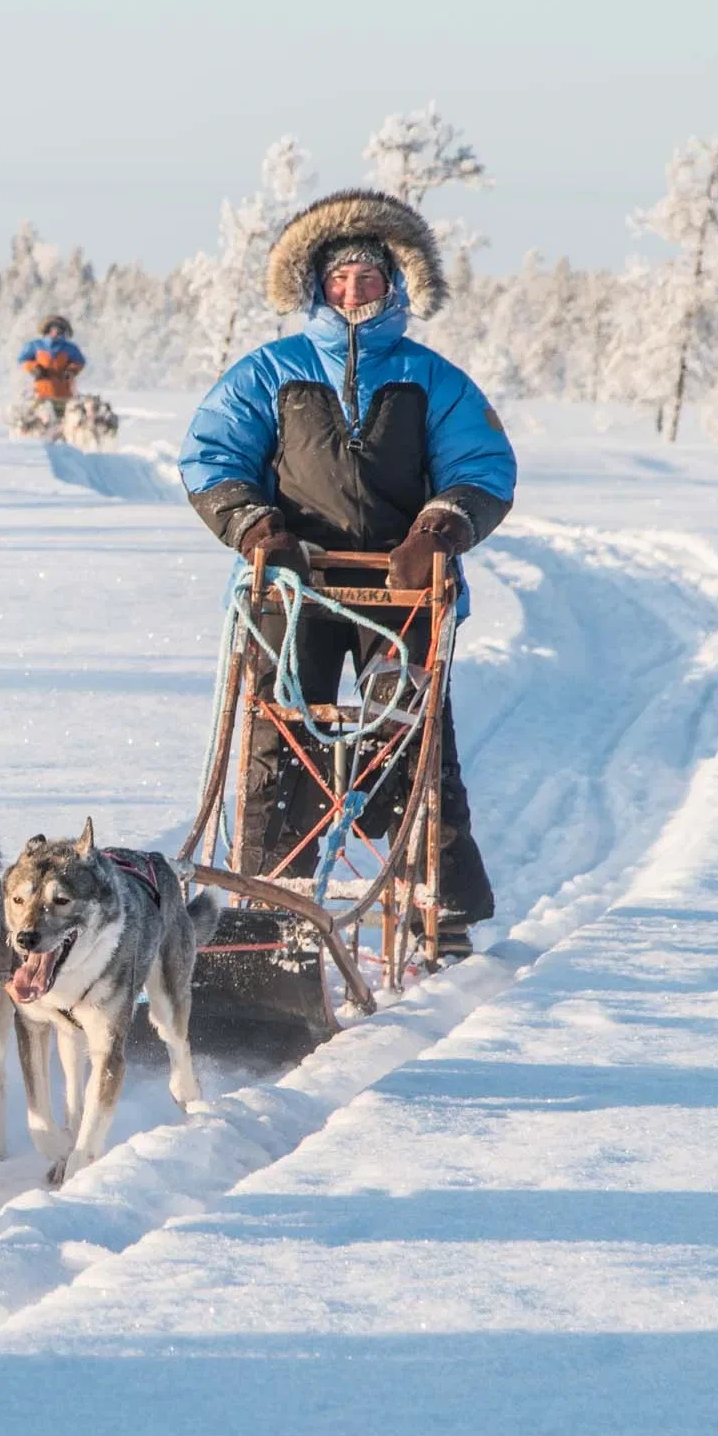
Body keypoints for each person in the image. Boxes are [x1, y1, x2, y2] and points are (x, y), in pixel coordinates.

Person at [176, 189, 516, 953]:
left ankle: (440, 897)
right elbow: (212, 456)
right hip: (292, 583)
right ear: (315, 288)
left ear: (395, 288)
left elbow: (483, 465)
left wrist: (441, 526)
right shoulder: (271, 370)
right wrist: (257, 525)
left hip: (400, 586)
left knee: (409, 724)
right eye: (340, 281)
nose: (354, 293)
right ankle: (266, 901)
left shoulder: (433, 378)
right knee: (277, 729)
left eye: (369, 280)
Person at [17, 315, 85, 404]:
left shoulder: (70, 348)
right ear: (46, 329)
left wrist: (71, 370)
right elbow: (23, 359)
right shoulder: (35, 345)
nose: (55, 332)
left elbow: (79, 362)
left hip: (64, 393)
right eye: (52, 328)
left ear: (64, 331)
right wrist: (34, 368)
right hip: (40, 391)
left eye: (59, 329)